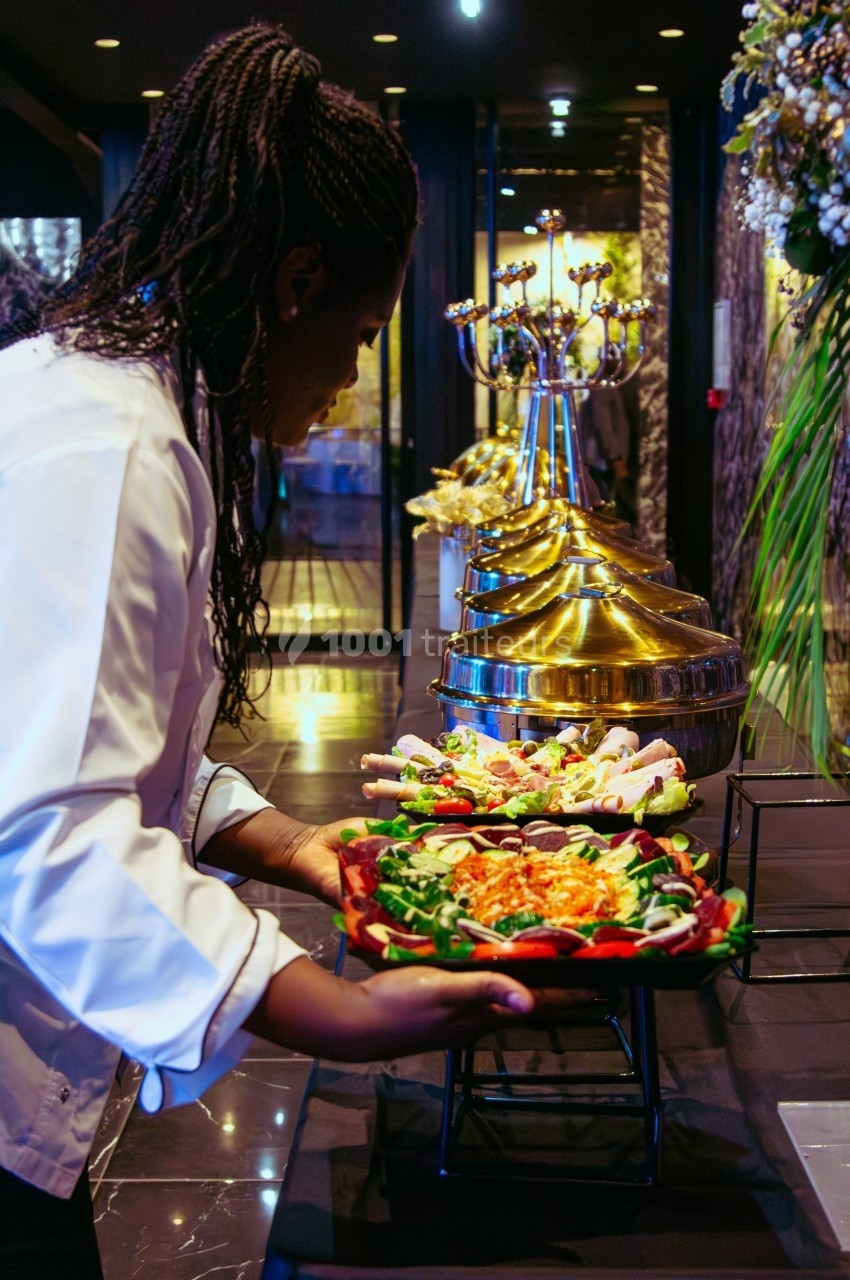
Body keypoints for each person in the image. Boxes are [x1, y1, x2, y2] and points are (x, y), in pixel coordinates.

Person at [0, 25, 542, 1278]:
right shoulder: (111, 446)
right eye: (361, 332)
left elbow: (104, 736)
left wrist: (295, 847)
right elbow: (50, 828)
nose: (349, 377)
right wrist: (336, 1010)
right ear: (296, 284)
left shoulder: (107, 398)